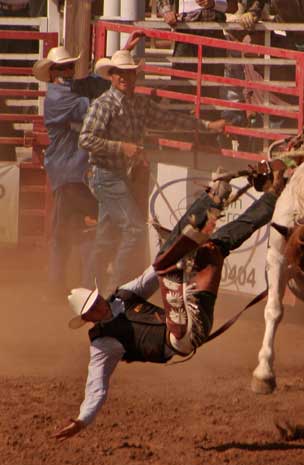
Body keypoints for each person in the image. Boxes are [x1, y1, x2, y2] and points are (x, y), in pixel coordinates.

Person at [53, 165, 287, 440]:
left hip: (188, 318)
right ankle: (213, 197)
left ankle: (272, 196)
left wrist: (178, 246)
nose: (98, 307)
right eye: (92, 309)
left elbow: (149, 274)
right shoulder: (103, 344)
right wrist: (82, 420)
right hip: (181, 339)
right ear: (88, 319)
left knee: (216, 246)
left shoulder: (121, 295)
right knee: (166, 261)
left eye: (94, 301)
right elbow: (97, 387)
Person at [79, 48, 226, 294]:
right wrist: (121, 147)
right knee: (135, 230)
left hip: (117, 176)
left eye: (129, 73)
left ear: (134, 75)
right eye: (119, 73)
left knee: (107, 238)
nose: (124, 77)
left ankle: (88, 288)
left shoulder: (139, 103)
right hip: (105, 174)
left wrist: (207, 126)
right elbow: (85, 139)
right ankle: (115, 291)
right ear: (112, 76)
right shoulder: (103, 105)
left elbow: (169, 120)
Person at [32, 47, 97, 296]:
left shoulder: (67, 91)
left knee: (70, 231)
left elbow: (96, 84)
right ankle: (78, 286)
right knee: (83, 228)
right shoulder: (59, 98)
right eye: (62, 68)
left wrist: (124, 52)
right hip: (69, 174)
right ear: (52, 73)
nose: (68, 71)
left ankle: (61, 287)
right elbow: (96, 101)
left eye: (70, 66)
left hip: (69, 174)